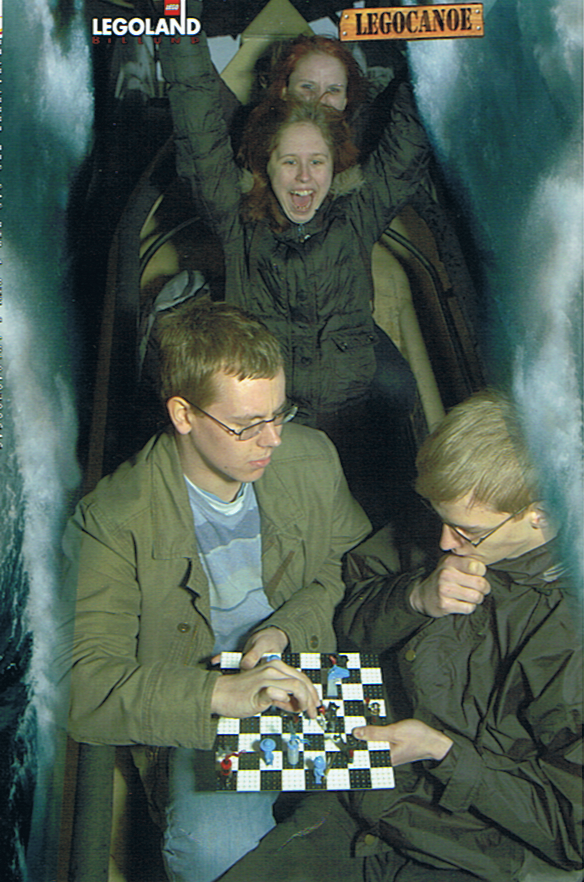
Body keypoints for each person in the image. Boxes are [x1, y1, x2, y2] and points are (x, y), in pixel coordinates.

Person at [217, 390, 583, 882]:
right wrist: (414, 597)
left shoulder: (569, 635)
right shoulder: (449, 526)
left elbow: (572, 833)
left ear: (541, 514)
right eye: (440, 519)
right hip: (367, 799)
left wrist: (442, 753)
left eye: (466, 532)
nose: (444, 544)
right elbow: (345, 616)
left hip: (476, 854)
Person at [65, 298, 371, 882]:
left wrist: (286, 630)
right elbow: (84, 686)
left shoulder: (311, 457)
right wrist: (223, 696)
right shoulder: (112, 520)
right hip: (205, 705)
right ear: (182, 414)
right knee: (214, 851)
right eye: (247, 424)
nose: (273, 440)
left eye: (281, 413)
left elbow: (351, 566)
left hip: (314, 669)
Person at [158, 1, 425, 430]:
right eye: (289, 163)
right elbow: (198, 131)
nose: (304, 179)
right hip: (272, 416)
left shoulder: (357, 206)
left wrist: (435, 41)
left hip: (349, 409)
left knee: (399, 393)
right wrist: (177, 19)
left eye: (316, 163)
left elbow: (406, 148)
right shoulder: (237, 215)